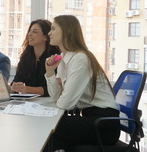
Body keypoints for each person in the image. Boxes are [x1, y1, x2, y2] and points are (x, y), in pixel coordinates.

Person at [44, 15, 120, 151]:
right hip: (90, 118)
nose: (49, 33)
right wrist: (50, 72)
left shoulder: (80, 59)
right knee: (52, 126)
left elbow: (65, 104)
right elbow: (57, 99)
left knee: (51, 124)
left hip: (104, 125)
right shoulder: (64, 59)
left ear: (66, 31)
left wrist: (54, 106)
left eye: (53, 28)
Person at [10, 19, 59, 96]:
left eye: (35, 32)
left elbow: (51, 89)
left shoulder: (54, 58)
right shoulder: (26, 57)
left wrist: (25, 89)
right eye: (30, 31)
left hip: (49, 102)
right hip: (31, 103)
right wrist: (13, 87)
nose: (29, 34)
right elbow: (16, 81)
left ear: (46, 37)